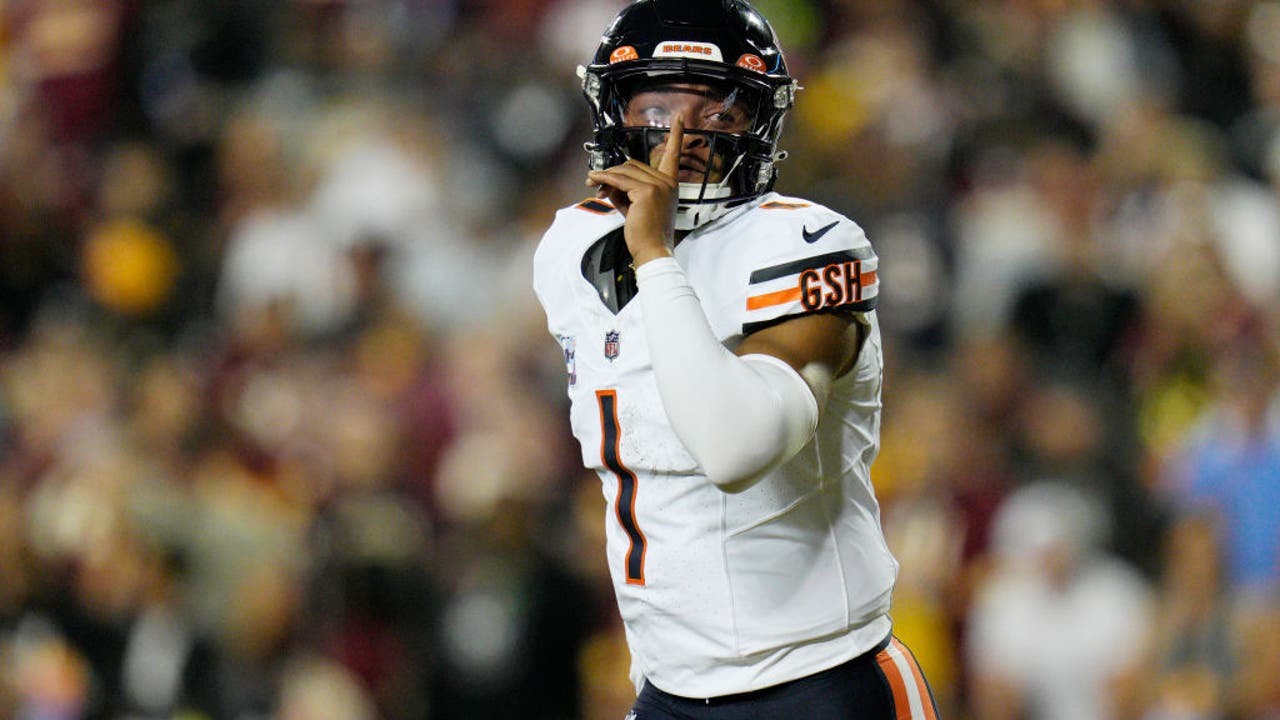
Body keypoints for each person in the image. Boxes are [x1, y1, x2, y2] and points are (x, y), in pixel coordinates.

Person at [532, 1, 941, 717]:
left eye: (716, 112)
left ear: (759, 122)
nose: (681, 135)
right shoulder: (571, 249)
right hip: (669, 687)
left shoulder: (807, 244)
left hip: (820, 681)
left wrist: (656, 257)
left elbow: (733, 449)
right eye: (657, 104)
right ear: (614, 108)